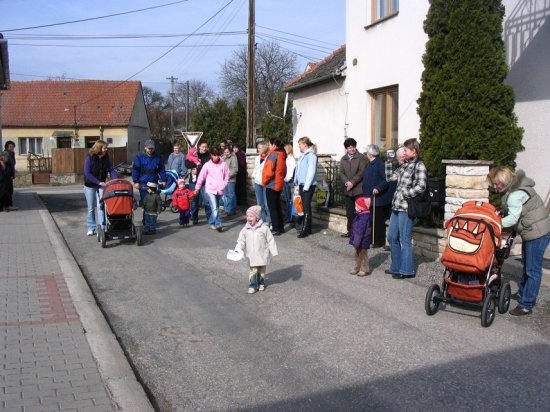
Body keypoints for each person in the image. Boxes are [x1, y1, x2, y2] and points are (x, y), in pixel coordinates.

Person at [488, 167, 550, 316]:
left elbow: (513, 218)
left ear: (505, 181)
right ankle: (523, 293)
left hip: (537, 232)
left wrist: (494, 223)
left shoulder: (515, 194)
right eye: (494, 184)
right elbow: (516, 210)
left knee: (532, 269)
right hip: (533, 229)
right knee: (528, 266)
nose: (496, 187)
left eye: (497, 184)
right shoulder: (517, 186)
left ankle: (526, 305)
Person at [386, 138, 427, 279]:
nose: (403, 152)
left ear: (413, 151)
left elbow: (421, 186)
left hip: (406, 207)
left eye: (406, 150)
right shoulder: (405, 165)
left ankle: (406, 270)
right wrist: (389, 162)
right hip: (396, 206)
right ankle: (396, 267)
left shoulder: (419, 165)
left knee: (405, 239)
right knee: (391, 237)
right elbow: (390, 178)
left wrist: (406, 193)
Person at [234, 205, 279, 294]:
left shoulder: (264, 228)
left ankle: (261, 283)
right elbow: (241, 241)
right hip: (251, 255)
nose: (248, 218)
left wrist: (274, 251)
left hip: (262, 254)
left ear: (257, 218)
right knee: (253, 270)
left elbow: (270, 240)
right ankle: (253, 286)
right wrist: (238, 249)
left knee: (261, 270)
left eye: (251, 216)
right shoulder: (245, 229)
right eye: (247, 216)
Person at [83, 140, 118, 236]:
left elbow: (111, 169)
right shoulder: (90, 157)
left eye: (106, 147)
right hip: (90, 185)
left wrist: (115, 180)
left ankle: (102, 227)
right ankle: (91, 227)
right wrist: (98, 182)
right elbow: (87, 173)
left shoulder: (106, 157)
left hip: (101, 185)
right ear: (99, 148)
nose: (106, 149)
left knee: (101, 206)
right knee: (91, 208)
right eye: (105, 147)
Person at [362, 144, 392, 248]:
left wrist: (378, 188)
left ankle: (378, 241)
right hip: (369, 197)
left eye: (367, 152)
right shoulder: (369, 164)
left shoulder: (380, 164)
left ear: (370, 154)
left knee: (378, 221)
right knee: (371, 220)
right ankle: (371, 239)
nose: (366, 154)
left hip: (378, 198)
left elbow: (386, 180)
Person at [194, 148, 229, 232]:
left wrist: (224, 184)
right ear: (211, 155)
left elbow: (227, 176)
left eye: (217, 155)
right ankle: (218, 224)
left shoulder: (223, 164)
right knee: (214, 207)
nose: (215, 157)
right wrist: (197, 188)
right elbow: (201, 177)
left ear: (219, 155)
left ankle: (211, 222)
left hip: (220, 189)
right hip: (210, 189)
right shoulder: (207, 165)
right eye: (214, 155)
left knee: (216, 207)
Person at [339, 138, 367, 238]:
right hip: (348, 190)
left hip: (358, 189)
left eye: (353, 147)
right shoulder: (343, 159)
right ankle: (350, 231)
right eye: (350, 147)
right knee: (349, 212)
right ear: (346, 149)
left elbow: (361, 172)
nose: (352, 149)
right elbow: (341, 172)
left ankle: (360, 233)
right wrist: (347, 182)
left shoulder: (361, 157)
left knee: (360, 212)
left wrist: (352, 182)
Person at [294, 136, 318, 238]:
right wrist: (296, 182)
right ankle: (308, 228)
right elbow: (298, 170)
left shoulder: (311, 155)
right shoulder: (303, 155)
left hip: (307, 185)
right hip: (302, 184)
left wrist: (307, 186)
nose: (299, 146)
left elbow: (311, 172)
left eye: (299, 144)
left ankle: (305, 229)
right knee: (304, 206)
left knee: (306, 206)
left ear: (304, 144)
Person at [262, 138, 287, 236]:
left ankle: (276, 228)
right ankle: (280, 227)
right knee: (277, 206)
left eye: (269, 144)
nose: (268, 146)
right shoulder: (282, 155)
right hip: (279, 183)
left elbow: (268, 171)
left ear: (274, 145)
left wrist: (264, 182)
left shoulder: (273, 155)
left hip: (271, 184)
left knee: (273, 208)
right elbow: (284, 171)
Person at [132, 139, 166, 206]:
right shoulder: (139, 157)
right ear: (145, 147)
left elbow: (162, 169)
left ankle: (153, 216)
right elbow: (135, 170)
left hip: (154, 183)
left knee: (154, 204)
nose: (150, 150)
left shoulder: (158, 157)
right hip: (143, 184)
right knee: (145, 204)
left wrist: (164, 180)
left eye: (152, 148)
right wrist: (136, 182)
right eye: (149, 148)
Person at [349, 197, 372, 276]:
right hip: (357, 238)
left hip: (362, 239)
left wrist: (356, 240)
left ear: (362, 207)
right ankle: (357, 267)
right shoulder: (359, 215)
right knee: (357, 253)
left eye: (357, 206)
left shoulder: (364, 217)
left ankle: (364, 269)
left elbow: (360, 230)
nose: (355, 207)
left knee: (363, 254)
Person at [252, 141, 269, 223]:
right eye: (257, 148)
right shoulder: (257, 158)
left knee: (267, 204)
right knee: (260, 203)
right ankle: (262, 219)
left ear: (265, 148)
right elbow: (255, 169)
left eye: (260, 148)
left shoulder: (269, 158)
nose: (258, 149)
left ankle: (269, 221)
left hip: (266, 183)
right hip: (257, 182)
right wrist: (254, 176)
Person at [222, 146, 238, 216]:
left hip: (231, 179)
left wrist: (228, 176)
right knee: (226, 195)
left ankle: (232, 210)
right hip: (224, 180)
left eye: (227, 152)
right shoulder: (224, 158)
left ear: (230, 152)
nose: (226, 153)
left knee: (231, 195)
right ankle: (226, 209)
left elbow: (235, 169)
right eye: (225, 152)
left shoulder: (233, 158)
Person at [283, 143, 296, 225]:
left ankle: (290, 217)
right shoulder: (287, 158)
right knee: (288, 200)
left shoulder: (291, 159)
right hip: (286, 181)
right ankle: (288, 216)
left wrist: (287, 178)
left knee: (291, 200)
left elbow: (292, 171)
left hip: (290, 182)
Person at [3, 140, 18, 211]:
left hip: (9, 175)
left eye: (13, 146)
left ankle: (8, 205)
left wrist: (13, 173)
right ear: (7, 147)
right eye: (10, 146)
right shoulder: (5, 153)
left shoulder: (12, 154)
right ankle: (6, 206)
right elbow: (2, 163)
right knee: (7, 191)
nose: (12, 148)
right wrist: (5, 173)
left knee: (10, 190)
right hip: (5, 175)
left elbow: (12, 165)